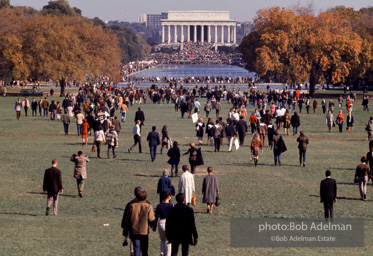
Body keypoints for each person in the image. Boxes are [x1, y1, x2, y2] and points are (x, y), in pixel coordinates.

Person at [122, 190, 155, 256]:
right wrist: (153, 226)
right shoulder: (148, 206)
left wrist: (125, 230)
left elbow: (127, 220)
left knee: (136, 250)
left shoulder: (132, 206)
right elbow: (151, 219)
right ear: (146, 197)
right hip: (144, 231)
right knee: (144, 251)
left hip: (134, 231)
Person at [154, 191, 174, 256]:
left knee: (162, 240)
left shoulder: (159, 206)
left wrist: (154, 226)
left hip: (161, 222)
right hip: (169, 223)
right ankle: (168, 254)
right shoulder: (172, 206)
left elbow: (156, 217)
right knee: (168, 241)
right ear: (169, 197)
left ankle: (162, 253)